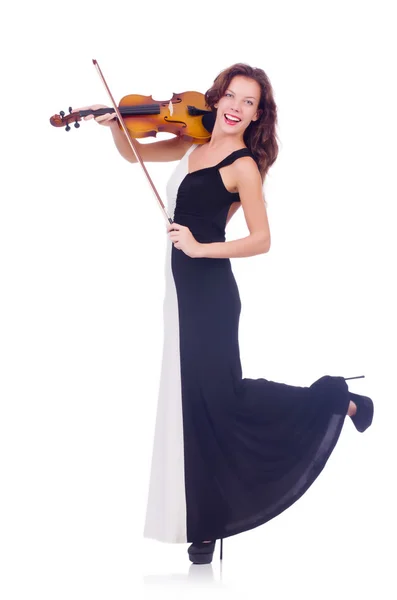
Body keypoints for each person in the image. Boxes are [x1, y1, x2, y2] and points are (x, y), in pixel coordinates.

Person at [77, 63, 374, 565]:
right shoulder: (192, 144)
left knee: (224, 398)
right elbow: (135, 152)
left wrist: (198, 247)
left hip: (211, 293)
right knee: (197, 404)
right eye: (231, 96)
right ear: (215, 99)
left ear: (257, 114)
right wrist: (113, 126)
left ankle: (335, 398)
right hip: (182, 292)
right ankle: (206, 523)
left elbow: (262, 239)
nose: (237, 107)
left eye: (249, 102)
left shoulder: (242, 165)